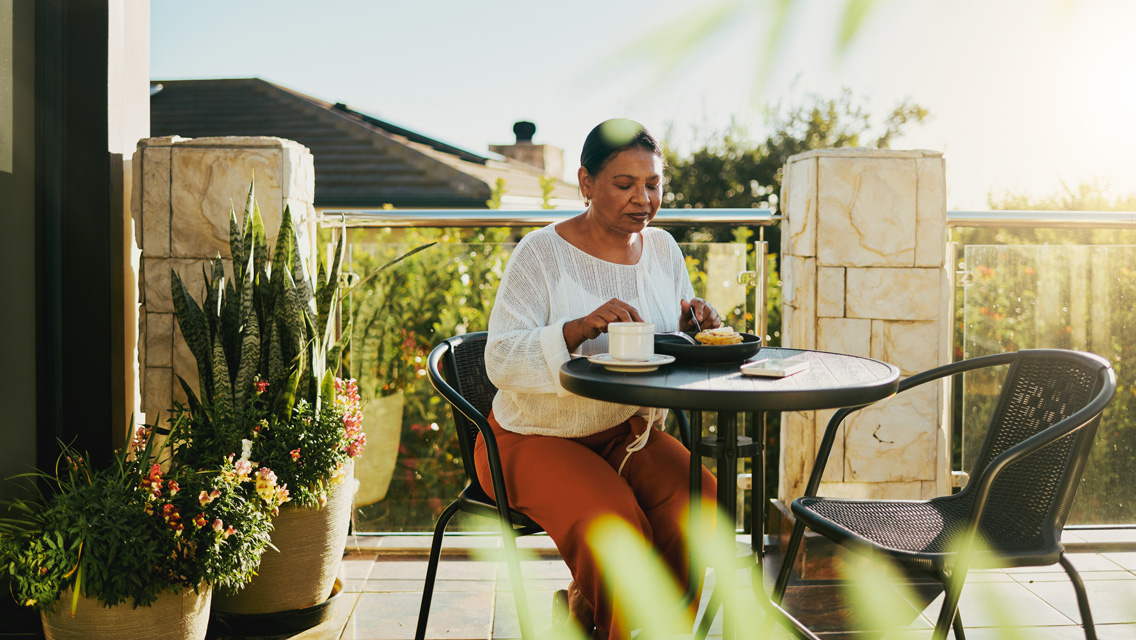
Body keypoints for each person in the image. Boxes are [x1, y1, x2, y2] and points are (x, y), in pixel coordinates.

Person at [475, 118, 720, 640]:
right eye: (624, 184)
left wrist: (690, 325)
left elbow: (664, 342)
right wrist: (573, 330)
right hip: (530, 436)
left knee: (699, 504)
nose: (643, 199)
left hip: (625, 430)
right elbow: (499, 358)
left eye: (652, 184)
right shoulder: (540, 253)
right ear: (586, 183)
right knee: (616, 529)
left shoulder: (662, 250)